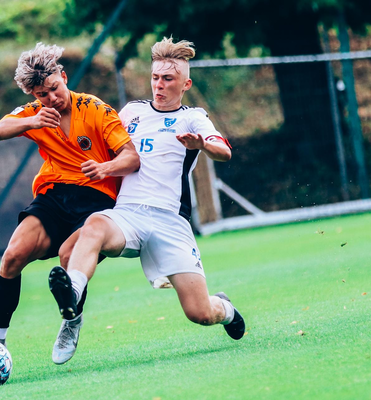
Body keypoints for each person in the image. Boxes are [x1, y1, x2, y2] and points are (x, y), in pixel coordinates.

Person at [48, 37, 245, 364]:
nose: (159, 85)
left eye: (168, 79)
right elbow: (101, 142)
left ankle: (225, 308)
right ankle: (73, 297)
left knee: (199, 313)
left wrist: (202, 145)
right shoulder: (132, 112)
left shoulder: (193, 118)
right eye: (155, 77)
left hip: (170, 222)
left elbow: (223, 151)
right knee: (95, 225)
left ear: (185, 84)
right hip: (128, 216)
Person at [0, 43, 140, 355]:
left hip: (96, 199)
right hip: (54, 197)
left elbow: (131, 158)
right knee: (12, 256)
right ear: (34, 95)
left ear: (64, 77)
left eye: (55, 88)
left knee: (69, 256)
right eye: (42, 94)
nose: (52, 98)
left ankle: (71, 321)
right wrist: (32, 122)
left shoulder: (95, 109)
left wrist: (105, 168)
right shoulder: (36, 113)